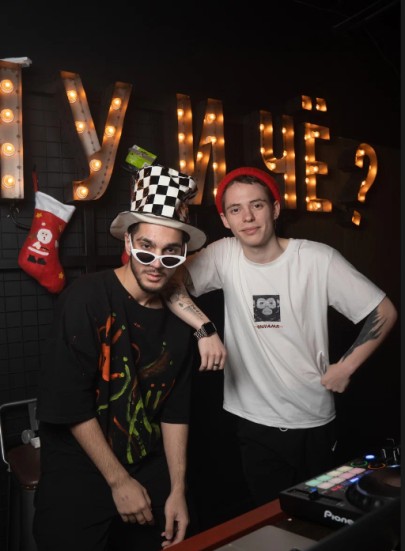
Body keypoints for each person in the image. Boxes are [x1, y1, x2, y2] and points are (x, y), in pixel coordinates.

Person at [165, 166, 398, 508]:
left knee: (318, 517)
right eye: (235, 210)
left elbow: (384, 311)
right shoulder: (223, 254)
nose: (247, 217)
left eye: (257, 205)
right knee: (269, 519)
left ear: (274, 209)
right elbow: (168, 282)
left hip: (313, 418)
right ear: (225, 220)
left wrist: (347, 366)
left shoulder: (317, 258)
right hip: (253, 422)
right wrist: (205, 329)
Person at [32, 164, 225, 551]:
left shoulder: (180, 320)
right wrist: (119, 481)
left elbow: (175, 411)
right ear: (128, 241)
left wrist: (178, 489)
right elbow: (69, 404)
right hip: (81, 467)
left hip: (147, 461)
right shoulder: (85, 298)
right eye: (146, 248)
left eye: (170, 253)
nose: (156, 263)